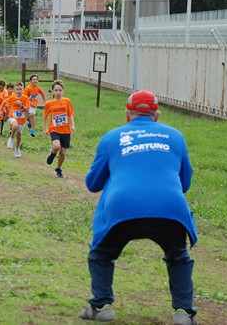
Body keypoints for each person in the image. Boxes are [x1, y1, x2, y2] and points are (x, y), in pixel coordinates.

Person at [80, 90, 198, 325]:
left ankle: (102, 305)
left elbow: (92, 184)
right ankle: (183, 313)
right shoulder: (175, 136)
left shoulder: (112, 138)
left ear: (127, 114)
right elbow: (185, 184)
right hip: (170, 209)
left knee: (101, 254)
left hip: (122, 209)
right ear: (158, 115)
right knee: (178, 256)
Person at [43, 80, 74, 178]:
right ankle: (52, 154)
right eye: (56, 90)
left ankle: (58, 168)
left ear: (63, 91)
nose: (58, 92)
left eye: (60, 90)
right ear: (52, 91)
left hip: (65, 130)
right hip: (54, 129)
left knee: (63, 152)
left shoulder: (67, 101)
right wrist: (45, 128)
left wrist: (73, 125)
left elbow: (70, 114)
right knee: (56, 146)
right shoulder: (49, 103)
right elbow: (45, 116)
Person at [0, 82, 30, 158]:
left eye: (20, 89)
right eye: (17, 89)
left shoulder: (25, 98)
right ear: (15, 90)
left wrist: (21, 105)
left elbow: (27, 110)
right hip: (12, 117)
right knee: (15, 125)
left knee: (19, 136)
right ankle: (11, 138)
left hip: (21, 120)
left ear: (23, 90)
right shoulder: (12, 97)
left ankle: (17, 148)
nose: (19, 91)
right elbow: (4, 102)